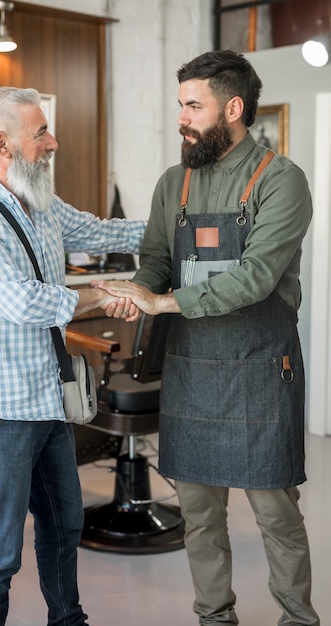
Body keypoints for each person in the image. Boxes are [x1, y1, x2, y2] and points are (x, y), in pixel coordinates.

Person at [94, 50, 320, 625]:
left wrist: (161, 302)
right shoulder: (175, 183)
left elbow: (255, 278)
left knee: (277, 515)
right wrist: (134, 291)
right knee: (198, 514)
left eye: (194, 105)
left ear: (233, 108)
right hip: (193, 368)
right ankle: (213, 618)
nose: (182, 118)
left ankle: (298, 619)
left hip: (260, 370)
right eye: (180, 105)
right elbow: (154, 265)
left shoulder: (282, 180)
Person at [0, 86, 145, 626]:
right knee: (0, 554)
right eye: (41, 132)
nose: (54, 142)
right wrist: (105, 293)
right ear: (3, 142)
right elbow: (19, 300)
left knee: (64, 526)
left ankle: (68, 621)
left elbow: (102, 229)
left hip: (47, 400)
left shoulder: (39, 202)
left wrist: (176, 224)